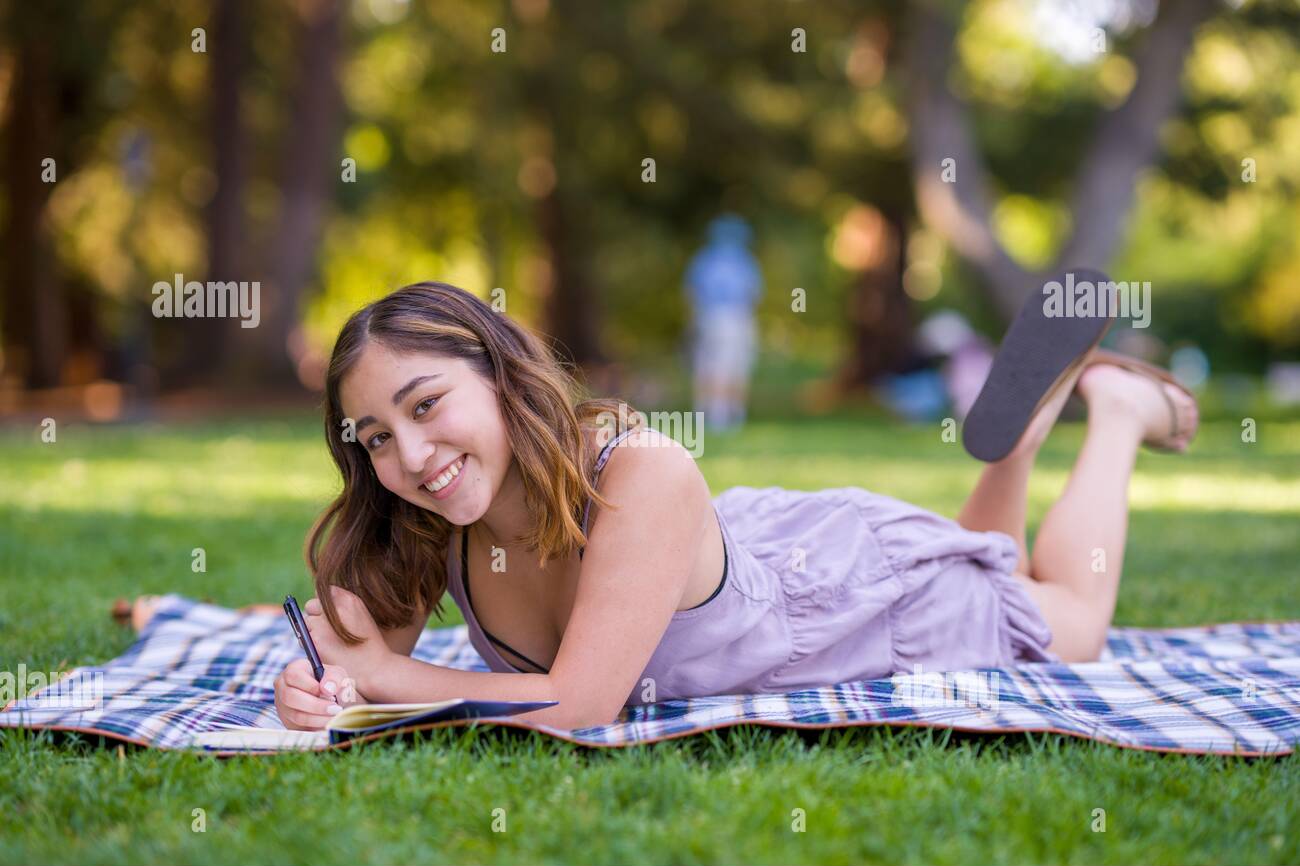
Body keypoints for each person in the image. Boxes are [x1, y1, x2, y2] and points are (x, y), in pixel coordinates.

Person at [271, 279, 1199, 733]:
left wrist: (388, 683)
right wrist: (323, 684)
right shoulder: (436, 510)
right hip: (740, 564)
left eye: (426, 404)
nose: (411, 454)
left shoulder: (644, 470)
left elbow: (580, 705)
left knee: (1065, 618)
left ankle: (1116, 413)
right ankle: (1024, 431)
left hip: (856, 599)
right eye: (376, 437)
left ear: (502, 375)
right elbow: (358, 658)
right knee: (989, 559)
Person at [683, 214, 763, 432]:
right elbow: (754, 294)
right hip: (737, 318)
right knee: (733, 367)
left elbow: (691, 293)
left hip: (708, 318)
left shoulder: (704, 260)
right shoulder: (745, 262)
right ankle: (731, 416)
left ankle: (711, 416)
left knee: (709, 367)